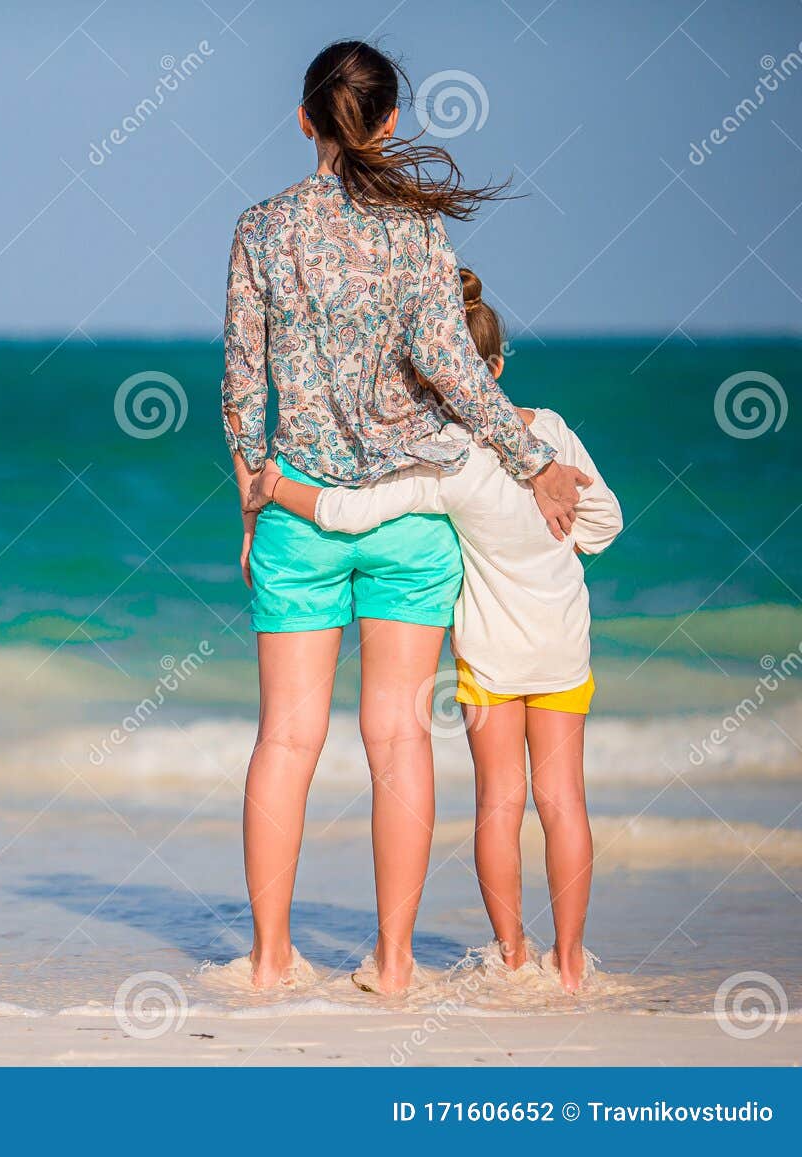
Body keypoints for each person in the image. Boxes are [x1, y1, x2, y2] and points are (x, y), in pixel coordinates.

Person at [223, 40, 592, 994]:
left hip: (302, 504)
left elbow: (241, 388)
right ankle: (392, 964)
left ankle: (268, 959)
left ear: (304, 119)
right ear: (387, 124)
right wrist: (532, 460)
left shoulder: (262, 229)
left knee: (286, 739)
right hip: (410, 514)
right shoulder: (420, 234)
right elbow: (457, 370)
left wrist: (252, 505)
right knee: (398, 738)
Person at [253, 266, 622, 994]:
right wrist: (567, 534)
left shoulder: (450, 463)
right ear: (497, 365)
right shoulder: (551, 434)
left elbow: (352, 514)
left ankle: (512, 953)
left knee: (498, 804)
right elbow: (606, 523)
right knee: (564, 802)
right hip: (564, 655)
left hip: (488, 659)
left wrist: (273, 486)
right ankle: (569, 962)